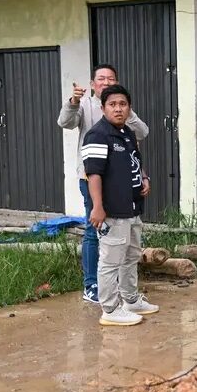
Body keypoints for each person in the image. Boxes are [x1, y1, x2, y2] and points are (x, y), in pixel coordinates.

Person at [57, 64, 149, 304]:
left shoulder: (122, 110)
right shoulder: (87, 107)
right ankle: (92, 285)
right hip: (92, 179)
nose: (106, 82)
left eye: (111, 79)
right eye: (101, 79)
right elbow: (65, 122)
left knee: (125, 237)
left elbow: (139, 137)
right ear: (92, 84)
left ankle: (123, 291)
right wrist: (73, 102)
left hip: (122, 183)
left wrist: (143, 175)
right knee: (95, 230)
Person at [82, 85, 158, 326]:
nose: (118, 109)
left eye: (122, 104)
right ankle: (110, 309)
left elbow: (135, 160)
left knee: (131, 255)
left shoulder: (127, 132)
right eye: (112, 105)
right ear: (103, 108)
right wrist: (97, 207)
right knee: (111, 260)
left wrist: (144, 177)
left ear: (129, 108)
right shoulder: (97, 135)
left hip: (132, 207)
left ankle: (131, 300)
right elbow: (93, 174)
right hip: (112, 209)